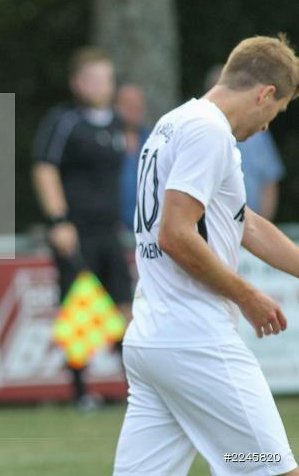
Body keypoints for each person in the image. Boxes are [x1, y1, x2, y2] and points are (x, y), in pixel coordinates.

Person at [113, 35, 299, 475]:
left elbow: (244, 222)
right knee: (271, 468)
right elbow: (176, 235)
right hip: (195, 341)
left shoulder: (174, 122)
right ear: (265, 94)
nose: (269, 125)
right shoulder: (209, 131)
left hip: (154, 342)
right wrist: (247, 296)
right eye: (278, 111)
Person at [32, 47, 131, 410]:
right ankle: (81, 392)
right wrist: (59, 220)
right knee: (79, 309)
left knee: (124, 306)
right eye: (94, 78)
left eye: (107, 77)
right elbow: (44, 168)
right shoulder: (64, 121)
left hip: (110, 230)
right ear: (78, 83)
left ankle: (134, 387)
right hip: (77, 229)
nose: (103, 84)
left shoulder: (118, 123)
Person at [207, 65, 286, 220]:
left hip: (248, 224)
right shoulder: (204, 132)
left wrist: (262, 223)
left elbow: (269, 181)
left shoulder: (258, 132)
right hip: (212, 226)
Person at [115, 83, 150, 229]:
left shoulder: (153, 139)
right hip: (112, 229)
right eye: (127, 104)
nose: (133, 109)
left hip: (147, 229)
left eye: (137, 104)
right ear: (115, 106)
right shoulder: (103, 140)